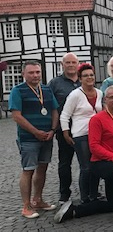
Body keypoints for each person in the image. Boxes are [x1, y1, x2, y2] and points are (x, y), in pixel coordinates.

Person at [55, 86, 113, 223]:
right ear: (105, 100)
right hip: (101, 163)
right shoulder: (97, 119)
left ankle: (75, 210)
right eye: (112, 97)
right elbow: (94, 146)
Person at [10, 61, 59, 218]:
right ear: (24, 74)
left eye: (38, 72)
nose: (35, 75)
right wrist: (35, 132)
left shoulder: (46, 89)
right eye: (31, 73)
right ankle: (26, 206)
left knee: (42, 168)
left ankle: (38, 200)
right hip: (28, 138)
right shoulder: (18, 91)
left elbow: (54, 110)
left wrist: (52, 129)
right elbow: (16, 116)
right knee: (28, 170)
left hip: (47, 137)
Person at [60, 63, 102, 204]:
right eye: (85, 76)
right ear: (80, 78)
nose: (89, 77)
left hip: (97, 135)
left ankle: (94, 193)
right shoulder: (75, 95)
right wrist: (66, 133)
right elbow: (65, 115)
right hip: (81, 135)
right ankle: (85, 196)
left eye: (91, 75)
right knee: (86, 167)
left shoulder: (100, 93)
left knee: (96, 165)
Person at [47, 52, 80, 204]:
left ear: (78, 64)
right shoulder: (55, 83)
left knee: (88, 163)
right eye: (68, 63)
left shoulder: (84, 80)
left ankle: (90, 191)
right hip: (64, 130)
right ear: (62, 65)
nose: (71, 65)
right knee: (65, 163)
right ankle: (64, 194)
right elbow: (49, 106)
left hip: (84, 130)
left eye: (74, 62)